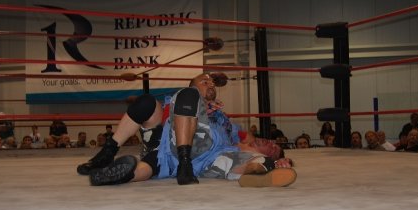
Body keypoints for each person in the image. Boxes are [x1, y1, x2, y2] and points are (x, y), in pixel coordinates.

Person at [80, 73, 295, 187]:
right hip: (163, 139)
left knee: (145, 169)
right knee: (147, 102)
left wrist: (272, 159)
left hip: (178, 153)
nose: (210, 84)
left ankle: (107, 176)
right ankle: (107, 152)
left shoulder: (225, 122)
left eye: (212, 83)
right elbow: (168, 115)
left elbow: (250, 141)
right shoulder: (181, 99)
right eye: (204, 81)